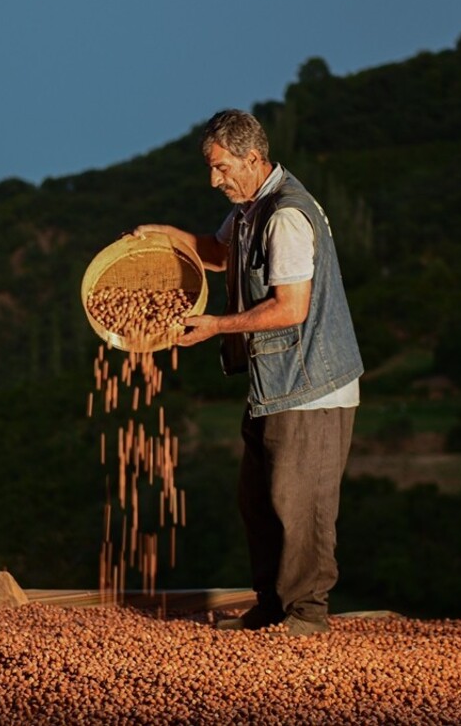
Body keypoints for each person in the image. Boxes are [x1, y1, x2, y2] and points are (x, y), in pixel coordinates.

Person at [137, 108, 363, 636]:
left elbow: (291, 308)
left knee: (299, 502)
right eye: (210, 168)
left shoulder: (285, 215)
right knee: (259, 499)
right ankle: (270, 606)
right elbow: (217, 253)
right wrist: (166, 236)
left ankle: (306, 616)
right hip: (273, 382)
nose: (214, 180)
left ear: (253, 158)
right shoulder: (248, 209)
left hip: (311, 384)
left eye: (221, 168)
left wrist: (216, 325)